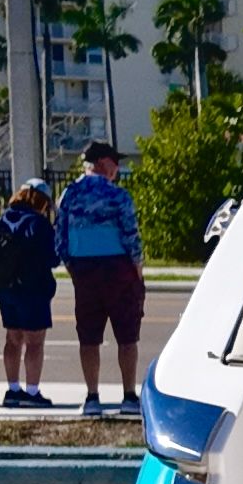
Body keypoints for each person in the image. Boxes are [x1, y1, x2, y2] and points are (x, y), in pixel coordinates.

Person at [56, 139, 145, 417]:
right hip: (118, 270)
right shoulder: (118, 196)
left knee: (89, 337)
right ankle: (128, 395)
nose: (117, 168)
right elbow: (131, 235)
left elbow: (60, 238)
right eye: (114, 162)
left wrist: (73, 268)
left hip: (84, 270)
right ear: (103, 163)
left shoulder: (69, 194)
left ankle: (92, 396)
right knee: (127, 337)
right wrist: (138, 269)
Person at [0, 179, 59, 408]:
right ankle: (32, 392)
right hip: (32, 289)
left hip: (5, 287)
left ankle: (13, 389)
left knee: (13, 339)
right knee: (34, 342)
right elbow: (52, 257)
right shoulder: (38, 223)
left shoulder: (5, 218)